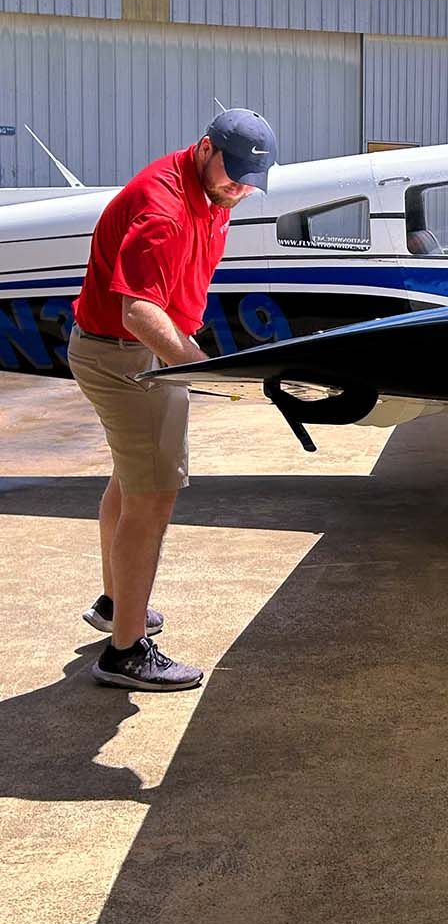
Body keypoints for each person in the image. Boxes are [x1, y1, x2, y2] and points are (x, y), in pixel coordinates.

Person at [68, 109, 279, 690]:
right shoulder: (163, 206)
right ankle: (126, 652)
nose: (238, 189)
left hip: (127, 348)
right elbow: (138, 311)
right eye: (231, 174)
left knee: (128, 480)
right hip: (125, 355)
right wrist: (203, 367)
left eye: (248, 181)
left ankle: (117, 606)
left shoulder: (214, 196)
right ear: (204, 148)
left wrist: (181, 350)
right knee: (154, 495)